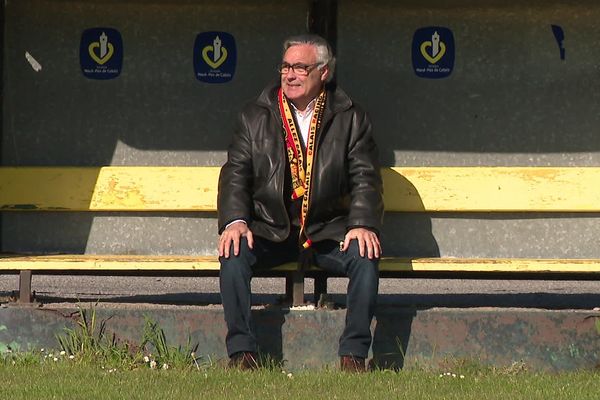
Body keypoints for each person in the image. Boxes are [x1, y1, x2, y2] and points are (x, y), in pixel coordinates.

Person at [217, 34, 383, 372]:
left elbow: (366, 177)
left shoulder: (350, 117)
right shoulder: (255, 115)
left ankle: (353, 355)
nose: (290, 75)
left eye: (300, 68)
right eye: (285, 67)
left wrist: (362, 223)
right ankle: (242, 354)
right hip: (272, 227)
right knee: (233, 253)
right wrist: (235, 221)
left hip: (325, 229)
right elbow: (235, 173)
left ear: (324, 72)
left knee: (365, 255)